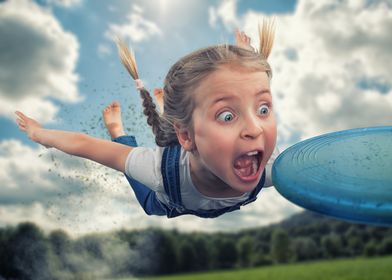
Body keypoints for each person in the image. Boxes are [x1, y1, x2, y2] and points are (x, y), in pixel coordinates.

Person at [15, 22, 279, 218]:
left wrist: (245, 63)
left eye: (263, 110)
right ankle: (118, 131)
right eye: (227, 116)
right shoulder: (156, 172)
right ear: (185, 135)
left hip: (189, 138)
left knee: (180, 133)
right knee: (143, 178)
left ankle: (173, 111)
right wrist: (40, 134)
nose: (255, 129)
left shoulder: (273, 166)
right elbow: (85, 144)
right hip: (166, 200)